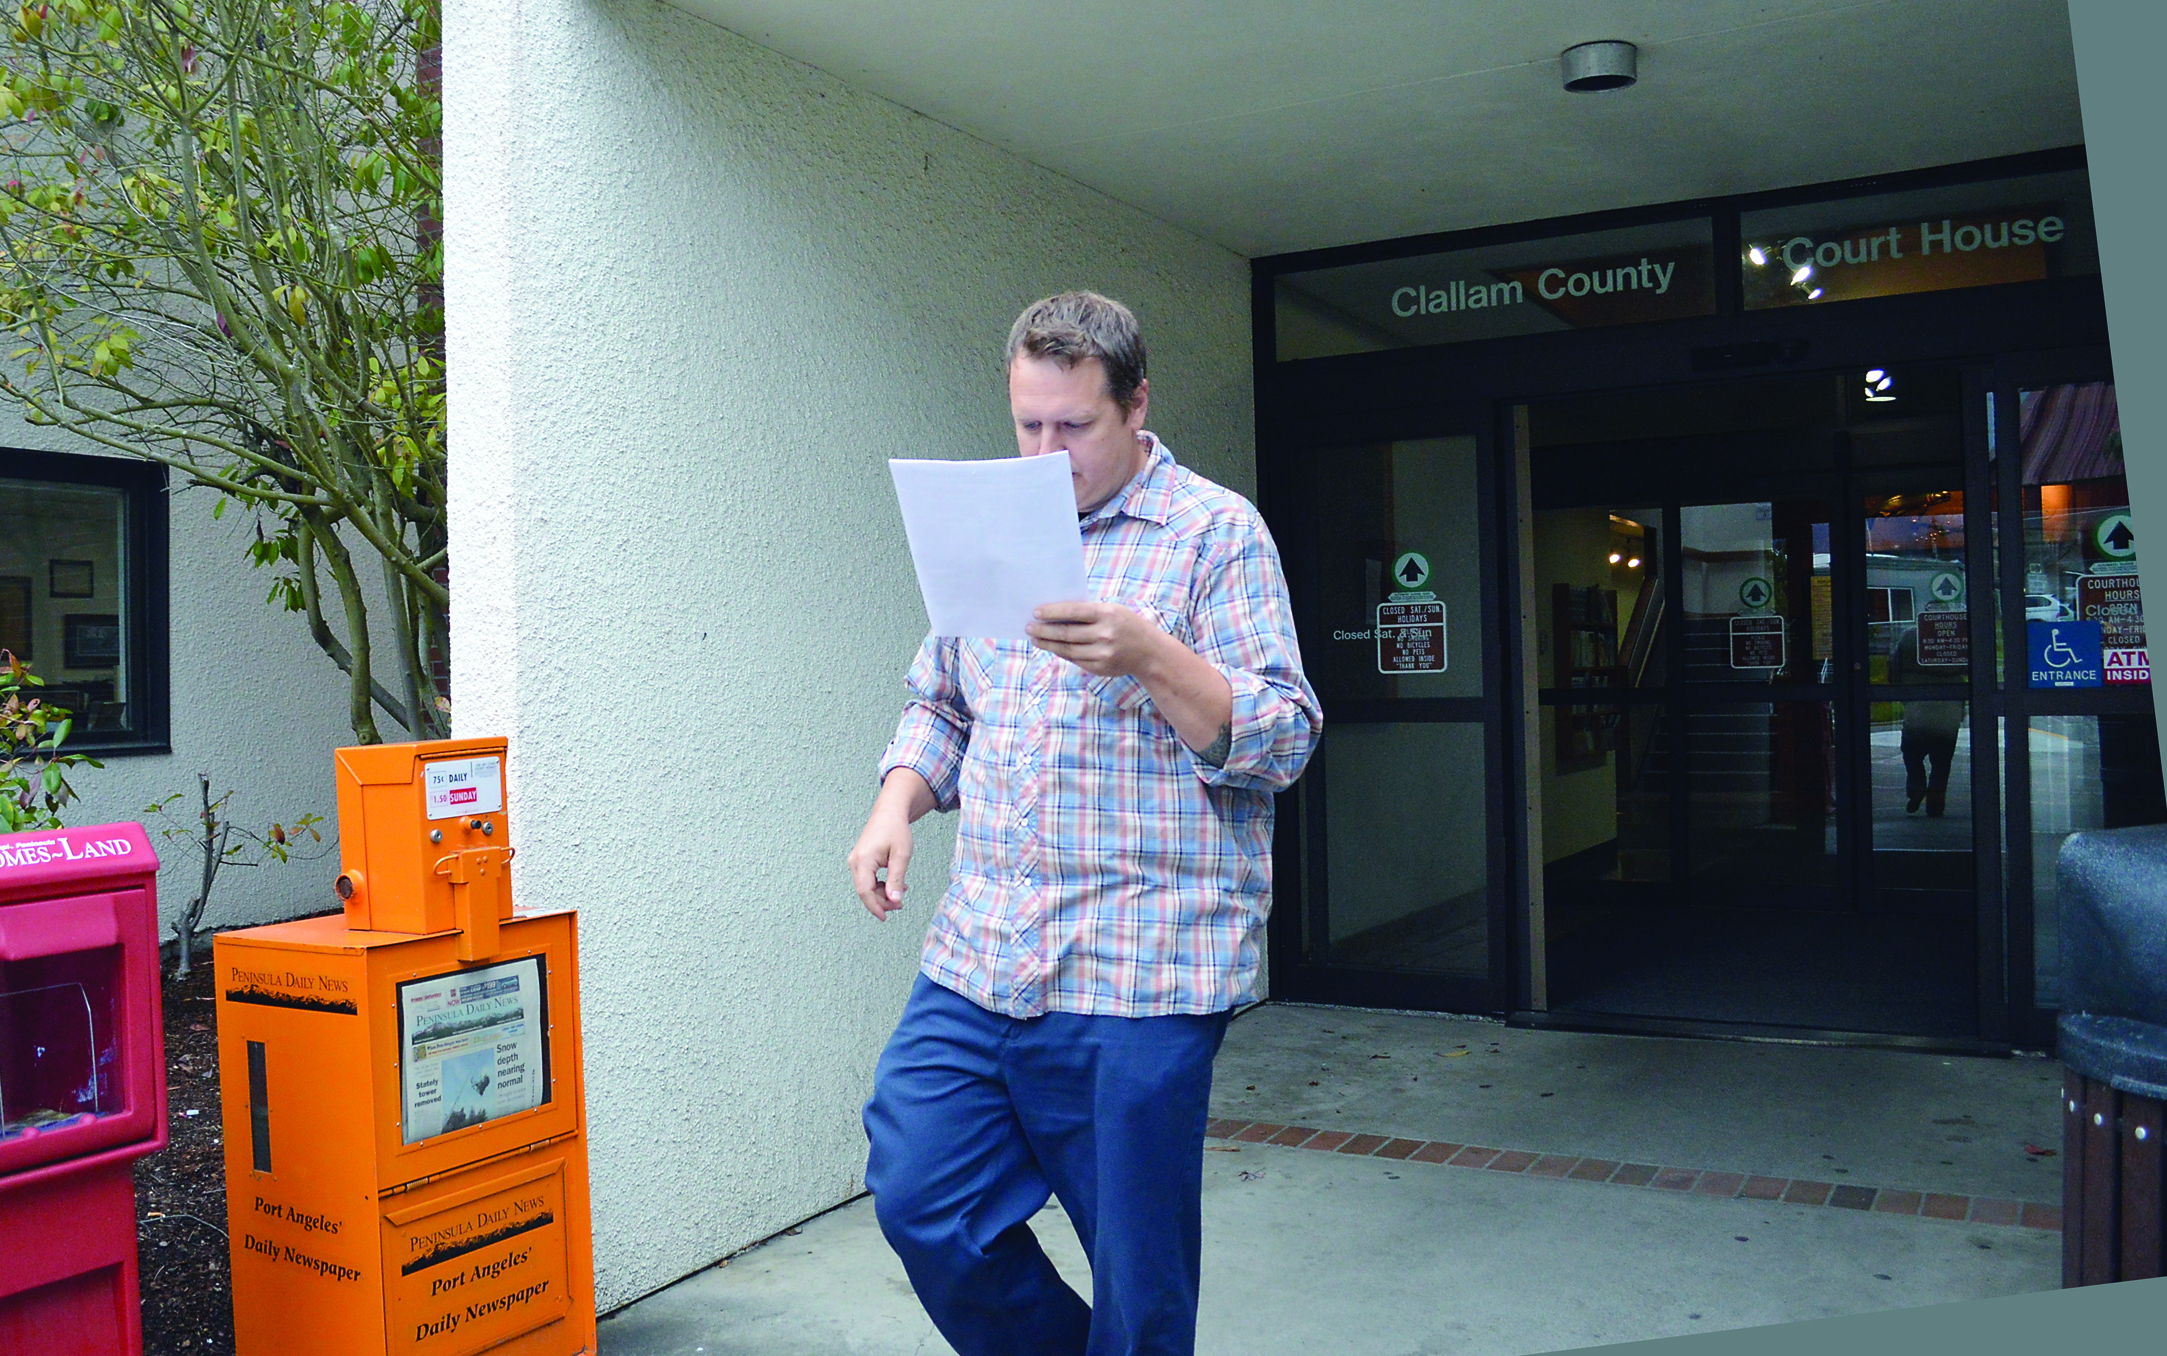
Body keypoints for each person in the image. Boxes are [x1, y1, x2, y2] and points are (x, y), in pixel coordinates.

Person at [846, 291, 1321, 1356]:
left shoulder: (1214, 533)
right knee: (920, 1191)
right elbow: (943, 701)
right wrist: (896, 805)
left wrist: (1153, 655)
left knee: (1138, 1281)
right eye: (1028, 425)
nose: (1047, 453)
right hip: (983, 957)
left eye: (1075, 427)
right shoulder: (994, 522)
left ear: (1136, 405)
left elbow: (1284, 738)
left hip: (1138, 976)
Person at [1888, 623, 1964, 816]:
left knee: (1911, 753)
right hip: (1949, 708)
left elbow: (1893, 666)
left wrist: (1901, 692)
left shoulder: (1909, 636)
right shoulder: (1955, 638)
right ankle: (1936, 803)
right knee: (1942, 761)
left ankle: (1916, 786)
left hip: (1917, 706)